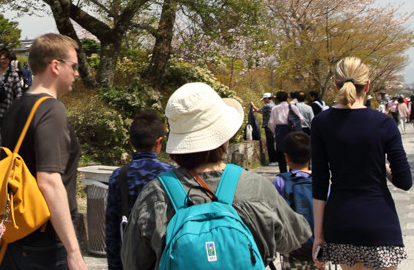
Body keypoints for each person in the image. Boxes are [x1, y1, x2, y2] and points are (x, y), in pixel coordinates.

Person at [121, 82, 310, 270]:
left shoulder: (156, 194)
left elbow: (133, 261)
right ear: (224, 136)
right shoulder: (255, 186)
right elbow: (294, 238)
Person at [0, 33, 87, 270]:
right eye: (73, 66)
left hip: (12, 231)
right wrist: (74, 251)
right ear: (55, 65)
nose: (77, 73)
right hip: (42, 241)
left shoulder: (17, 105)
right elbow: (49, 181)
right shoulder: (51, 109)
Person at [311, 57, 412, 270]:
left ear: (336, 85)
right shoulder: (384, 123)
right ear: (367, 86)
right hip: (379, 220)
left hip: (341, 221)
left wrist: (318, 234)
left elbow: (320, 182)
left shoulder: (321, 123)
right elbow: (404, 181)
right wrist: (379, 166)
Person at [104, 111, 175, 270]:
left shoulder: (119, 176)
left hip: (130, 258)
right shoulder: (172, 175)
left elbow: (112, 229)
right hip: (163, 256)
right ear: (159, 142)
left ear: (130, 141)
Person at [273, 132, 315, 270]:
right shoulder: (321, 181)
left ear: (286, 157)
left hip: (293, 247)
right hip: (318, 248)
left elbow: (273, 213)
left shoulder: (281, 181)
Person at [0, 48, 24, 135]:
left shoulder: (13, 74)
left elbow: (18, 91)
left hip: (7, 108)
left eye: (6, 59)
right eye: (2, 59)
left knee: (7, 135)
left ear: (9, 60)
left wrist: (18, 106)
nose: (4, 61)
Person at [269, 91, 297, 173]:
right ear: (287, 98)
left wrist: (275, 132)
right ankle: (292, 171)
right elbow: (301, 119)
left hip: (280, 131)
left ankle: (283, 173)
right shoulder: (293, 107)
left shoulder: (275, 108)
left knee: (281, 153)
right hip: (291, 131)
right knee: (292, 153)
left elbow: (270, 123)